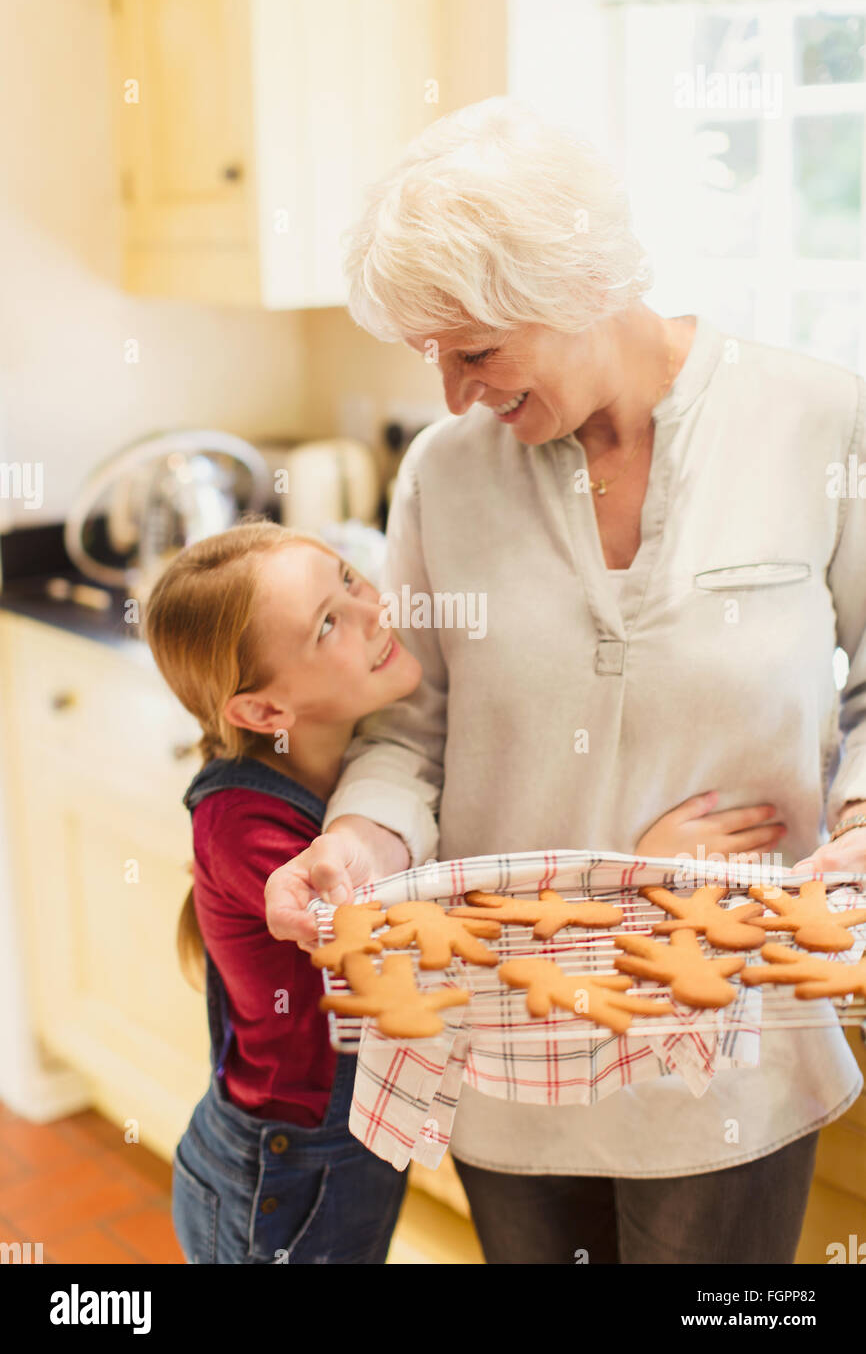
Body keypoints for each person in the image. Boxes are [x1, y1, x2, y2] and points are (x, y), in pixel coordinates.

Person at [263, 97, 866, 1264]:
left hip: (724, 1024)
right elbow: (411, 733)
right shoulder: (444, 473)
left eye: (474, 352)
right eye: (429, 358)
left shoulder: (815, 419)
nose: (451, 396)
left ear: (576, 283)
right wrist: (359, 844)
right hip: (509, 1028)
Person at [143, 520, 418, 1263]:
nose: (374, 611)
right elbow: (397, 952)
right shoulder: (243, 824)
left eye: (351, 579)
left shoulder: (359, 750)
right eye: (329, 622)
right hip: (279, 1169)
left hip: (338, 1148)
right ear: (264, 713)